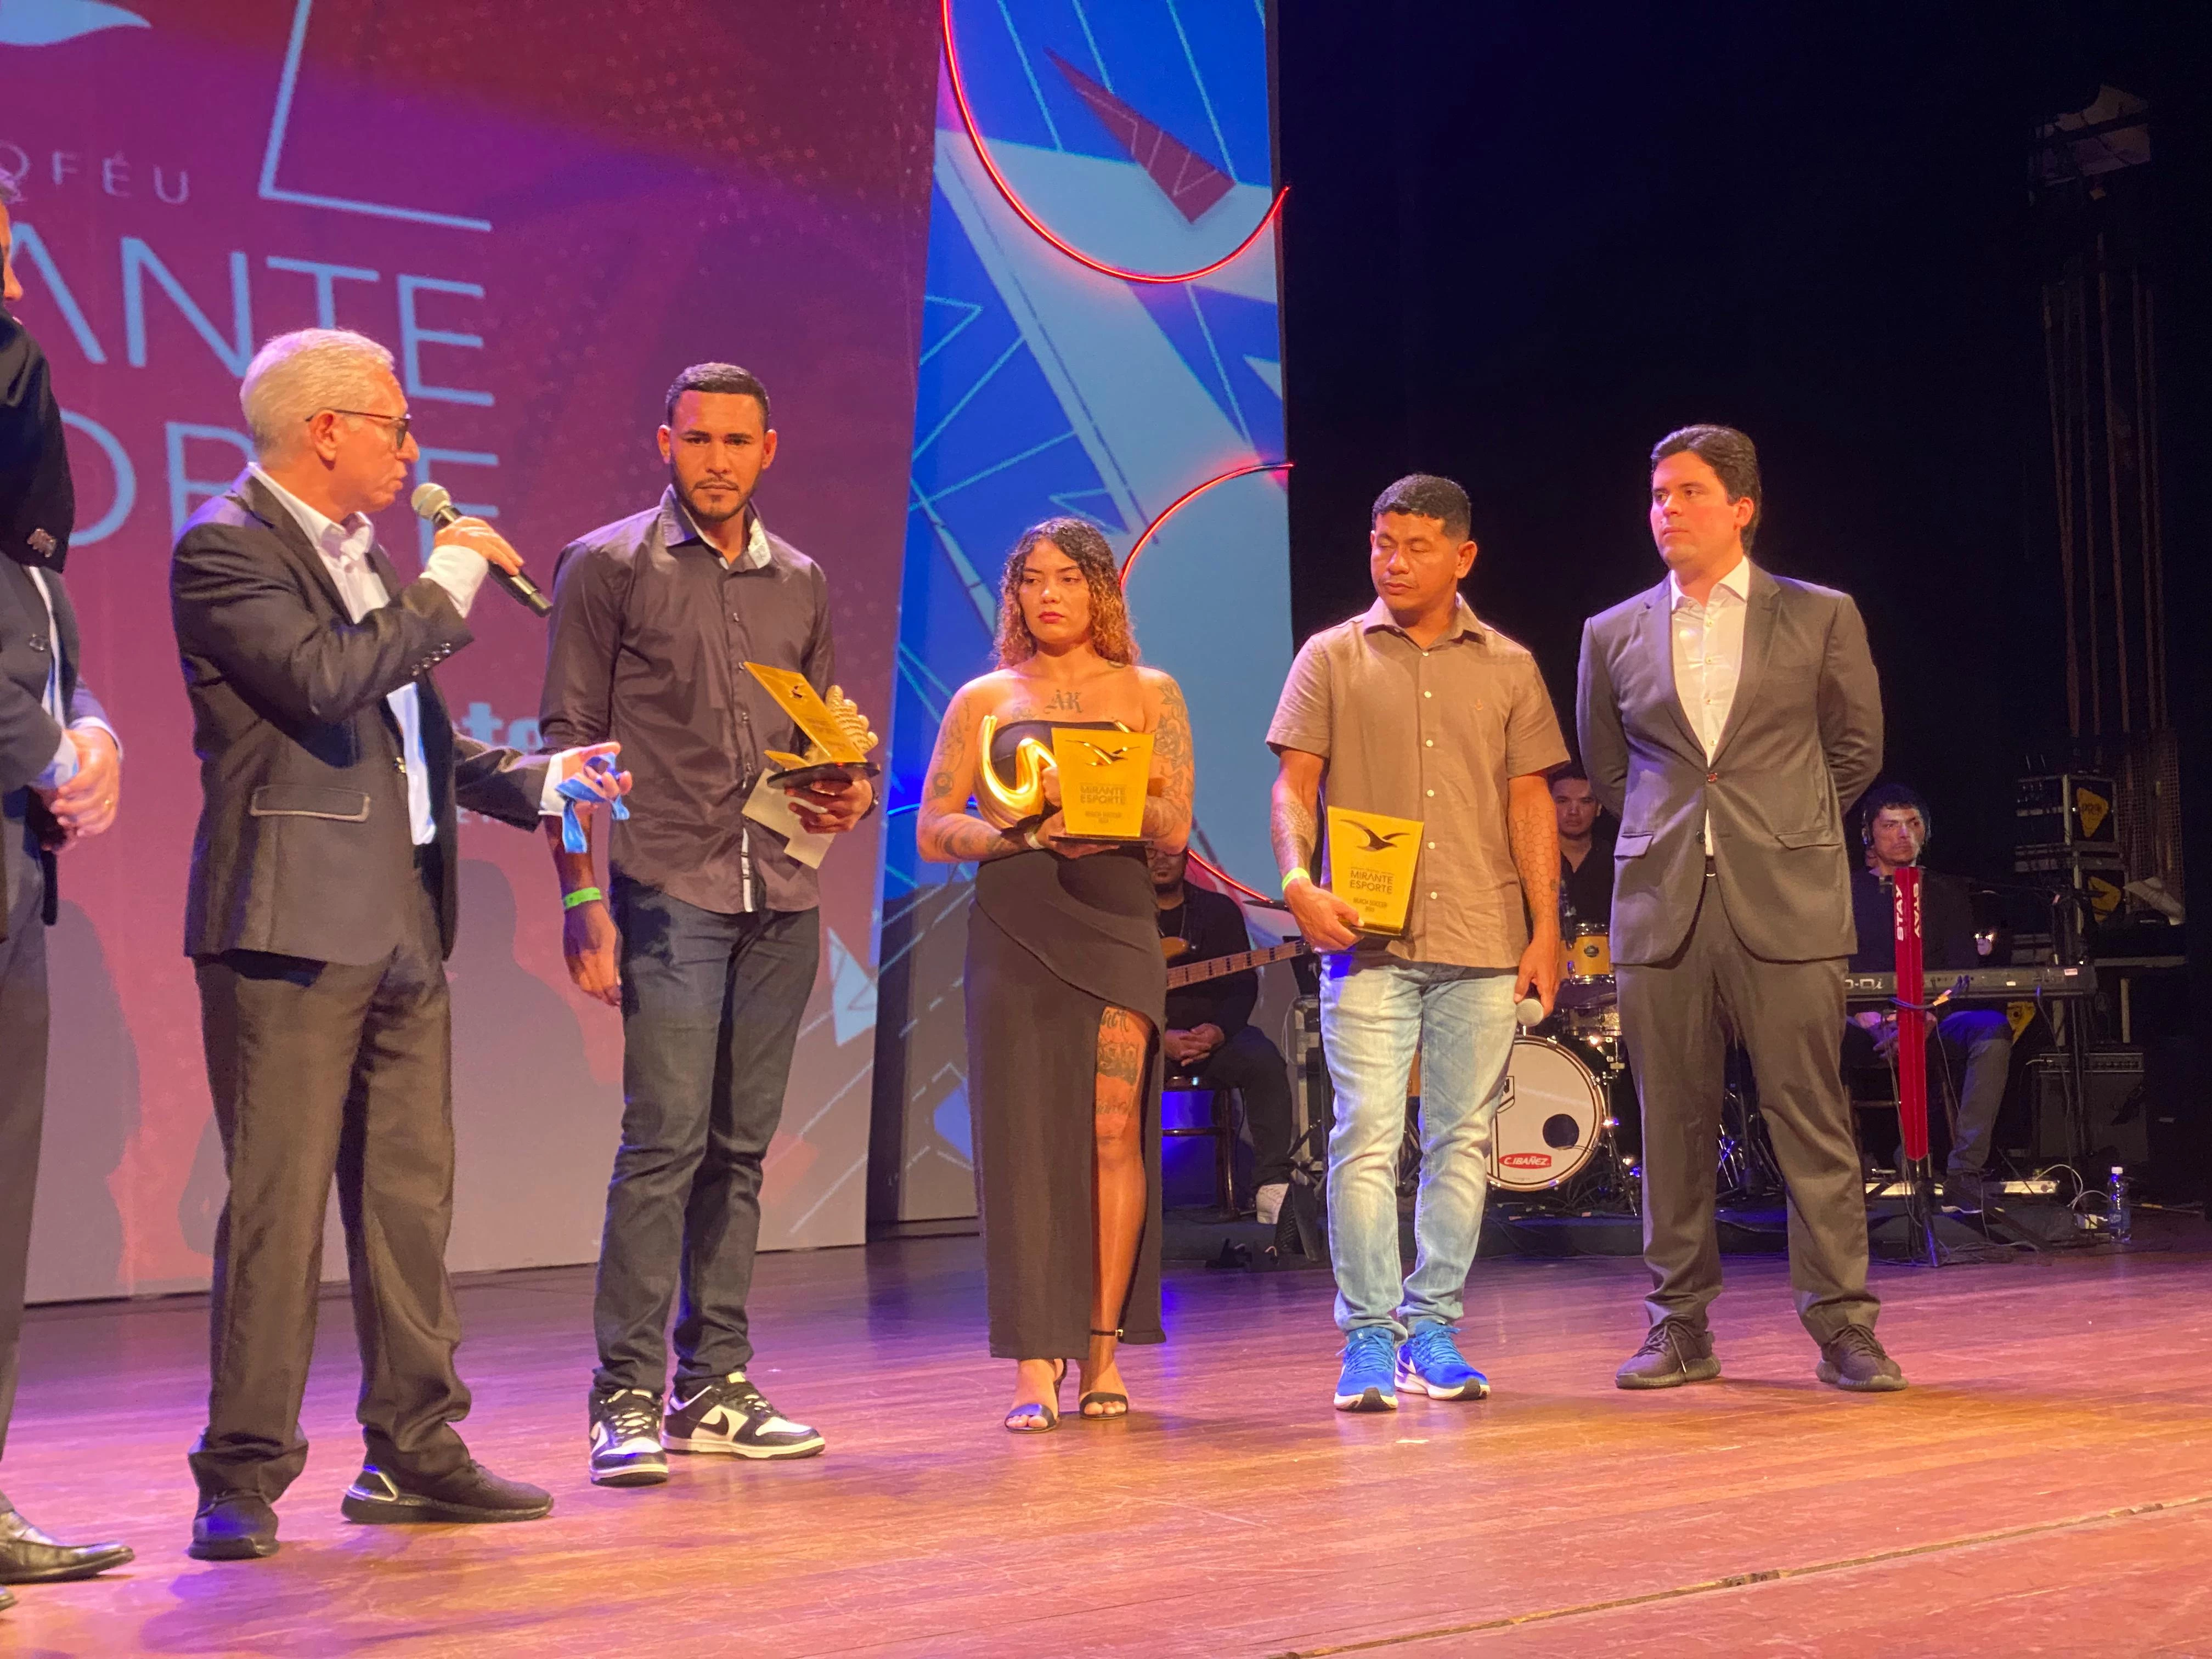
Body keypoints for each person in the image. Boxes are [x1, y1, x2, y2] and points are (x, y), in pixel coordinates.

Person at [168, 328, 630, 1560]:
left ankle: (415, 1449)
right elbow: (323, 683)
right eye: (394, 423)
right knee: (278, 1210)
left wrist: (541, 782)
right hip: (289, 924)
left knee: (408, 1205)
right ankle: (241, 1473)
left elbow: (409, 741)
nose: (412, 448)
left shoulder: (365, 555)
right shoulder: (226, 546)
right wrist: (450, 581)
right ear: (325, 430)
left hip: (405, 926)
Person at [540, 363, 876, 1488]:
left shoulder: (803, 581)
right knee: (665, 1142)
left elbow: (818, 747)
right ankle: (625, 1394)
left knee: (740, 1148)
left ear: (768, 449)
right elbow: (568, 747)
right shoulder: (608, 565)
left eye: (737, 441)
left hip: (780, 891)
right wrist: (580, 900)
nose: (717, 461)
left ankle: (715, 1383)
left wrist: (846, 790)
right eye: (698, 440)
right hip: (668, 883)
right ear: (664, 443)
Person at [1577, 423, 1901, 1393]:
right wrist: (1678, 831)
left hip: (1786, 898)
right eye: (1657, 494)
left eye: (1687, 492)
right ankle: (1678, 1324)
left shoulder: (1821, 614)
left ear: (1741, 508)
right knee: (1670, 1121)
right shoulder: (1611, 631)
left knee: (1808, 1115)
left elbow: (1856, 747)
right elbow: (1607, 768)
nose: (1665, 510)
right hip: (1662, 901)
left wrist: (1781, 823)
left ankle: (1843, 1325)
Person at [1268, 473, 1568, 1414]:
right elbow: (1294, 785)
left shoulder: (1509, 664)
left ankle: (1432, 1325)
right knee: (1364, 1135)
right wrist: (1297, 880)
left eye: (1415, 547)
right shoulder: (1331, 656)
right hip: (1368, 939)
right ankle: (1368, 1334)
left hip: (1483, 931)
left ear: (1462, 556)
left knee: (1462, 1140)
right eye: (1381, 543)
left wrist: (1547, 927)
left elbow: (1530, 800)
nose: (1392, 562)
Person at [915, 517, 1193, 1431]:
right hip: (1015, 921)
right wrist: (1019, 835)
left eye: (1067, 578)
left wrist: (1104, 806)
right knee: (1024, 1139)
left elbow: (1174, 825)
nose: (1048, 594)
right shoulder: (984, 698)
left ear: (1100, 590)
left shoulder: (1149, 691)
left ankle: (1101, 1351)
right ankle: (1035, 1363)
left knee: (1113, 1130)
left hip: (1115, 920)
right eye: (1031, 579)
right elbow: (933, 825)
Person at [0, 171, 134, 1608]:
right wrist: (46, 751)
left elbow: (54, 668)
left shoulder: (29, 559)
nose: (16, 289)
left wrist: (92, 740)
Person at [1844, 784, 2014, 1211]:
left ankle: (1965, 1171)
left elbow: (1962, 972)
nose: (1903, 834)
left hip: (1932, 1020)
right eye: (1890, 826)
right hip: (1864, 1024)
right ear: (1869, 834)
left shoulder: (1947, 892)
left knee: (1992, 1029)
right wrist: (1869, 1018)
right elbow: (1834, 969)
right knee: (1810, 1032)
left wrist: (1928, 1017)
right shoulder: (1845, 891)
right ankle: (1842, 1168)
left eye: (1912, 824)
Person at [1148, 844, 1297, 1224]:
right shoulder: (1123, 916)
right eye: (1149, 852)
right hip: (1151, 1039)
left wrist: (1218, 1031)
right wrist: (1161, 1036)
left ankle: (1272, 1186)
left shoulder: (1218, 910)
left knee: (1264, 1061)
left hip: (1216, 1037)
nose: (1160, 860)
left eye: (1169, 851)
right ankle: (1132, 1195)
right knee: (1120, 1072)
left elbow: (1244, 985)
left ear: (1186, 856)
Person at [1551, 764, 1615, 929]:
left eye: (1585, 802)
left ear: (1599, 808)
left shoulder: (1615, 860)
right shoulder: (1534, 859)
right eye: (1563, 801)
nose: (1573, 811)